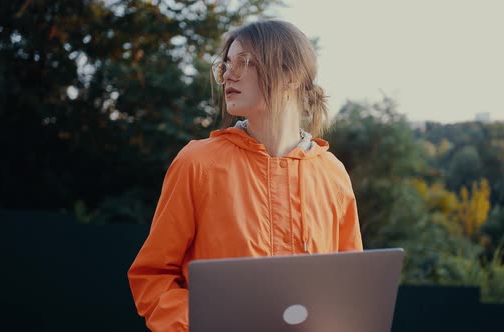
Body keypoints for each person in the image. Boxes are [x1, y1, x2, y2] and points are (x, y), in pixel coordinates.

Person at [127, 19, 363, 332]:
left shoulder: (332, 173)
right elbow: (153, 277)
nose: (227, 74)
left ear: (290, 75)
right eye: (225, 65)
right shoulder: (198, 162)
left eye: (245, 62)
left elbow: (351, 288)